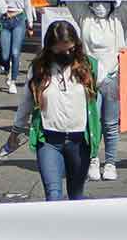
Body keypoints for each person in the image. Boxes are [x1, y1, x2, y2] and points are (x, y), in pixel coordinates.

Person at [5, 21, 100, 201]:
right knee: (53, 195)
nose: (65, 54)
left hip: (79, 142)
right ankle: (55, 229)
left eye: (70, 50)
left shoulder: (89, 66)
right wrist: (16, 130)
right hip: (49, 141)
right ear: (50, 48)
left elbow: (113, 89)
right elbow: (25, 102)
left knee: (76, 195)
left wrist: (124, 67)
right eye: (59, 51)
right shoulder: (38, 68)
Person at [64, 0, 127, 181]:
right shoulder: (84, 18)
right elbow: (71, 0)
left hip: (112, 76)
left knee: (111, 123)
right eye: (96, 1)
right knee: (92, 121)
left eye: (104, 1)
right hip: (90, 77)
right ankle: (93, 159)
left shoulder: (119, 19)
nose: (100, 5)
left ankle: (111, 162)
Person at [0, 0, 35, 93]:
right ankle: (7, 70)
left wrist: (30, 23)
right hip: (5, 20)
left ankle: (13, 80)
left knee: (15, 52)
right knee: (5, 55)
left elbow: (28, 5)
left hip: (19, 19)